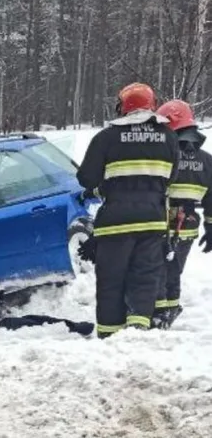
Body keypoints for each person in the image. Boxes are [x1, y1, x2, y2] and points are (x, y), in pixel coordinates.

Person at [77, 82, 180, 338]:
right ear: (151, 105)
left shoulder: (106, 137)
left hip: (115, 224)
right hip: (153, 222)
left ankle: (110, 334)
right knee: (145, 277)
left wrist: (104, 187)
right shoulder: (168, 136)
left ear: (123, 107)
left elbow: (86, 178)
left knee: (111, 279)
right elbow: (171, 178)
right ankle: (137, 330)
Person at [153, 100, 212, 328]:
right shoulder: (207, 160)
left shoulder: (164, 154)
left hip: (161, 223)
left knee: (156, 269)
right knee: (174, 270)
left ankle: (159, 313)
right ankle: (169, 310)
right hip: (187, 226)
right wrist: (210, 225)